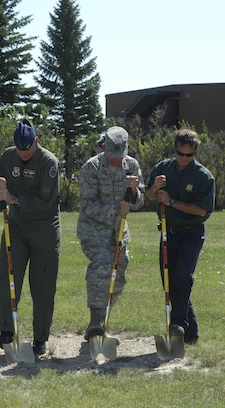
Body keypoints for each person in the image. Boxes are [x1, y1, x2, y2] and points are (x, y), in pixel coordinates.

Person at [0, 119, 60, 357]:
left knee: (42, 286)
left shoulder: (49, 162)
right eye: (19, 149)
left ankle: (40, 338)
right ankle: (7, 331)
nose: (23, 153)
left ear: (37, 142)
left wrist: (13, 199)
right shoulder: (8, 157)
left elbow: (45, 201)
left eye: (27, 149)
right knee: (7, 279)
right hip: (15, 229)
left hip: (44, 230)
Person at [145, 128, 215, 344]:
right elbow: (149, 196)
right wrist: (155, 189)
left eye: (189, 155)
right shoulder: (162, 168)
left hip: (191, 233)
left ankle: (177, 325)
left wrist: (172, 202)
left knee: (183, 275)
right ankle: (189, 333)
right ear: (175, 149)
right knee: (171, 282)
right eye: (180, 153)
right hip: (168, 232)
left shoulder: (203, 176)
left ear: (195, 152)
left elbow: (203, 211)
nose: (184, 158)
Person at [77, 126, 145, 339]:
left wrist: (134, 192)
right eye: (111, 155)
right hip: (93, 229)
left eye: (119, 156)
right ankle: (94, 320)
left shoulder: (132, 166)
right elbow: (87, 204)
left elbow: (141, 202)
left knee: (119, 274)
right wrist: (115, 210)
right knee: (102, 265)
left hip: (119, 232)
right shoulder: (92, 168)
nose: (115, 159)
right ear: (104, 146)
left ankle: (103, 319)